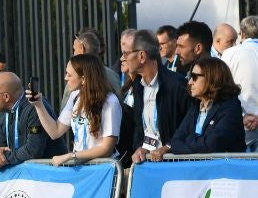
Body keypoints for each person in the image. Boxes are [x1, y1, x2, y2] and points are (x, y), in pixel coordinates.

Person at [137, 57, 244, 160]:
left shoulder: (230, 108)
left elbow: (211, 145)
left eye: (195, 77)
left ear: (212, 77)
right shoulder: (196, 106)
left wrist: (187, 141)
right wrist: (199, 141)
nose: (190, 82)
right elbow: (176, 141)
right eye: (190, 77)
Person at [29, 54, 121, 165]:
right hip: (81, 168)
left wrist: (71, 156)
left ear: (83, 79)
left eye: (69, 75)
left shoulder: (110, 101)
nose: (65, 78)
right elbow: (55, 131)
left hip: (102, 169)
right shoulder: (75, 96)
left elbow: (106, 149)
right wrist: (39, 105)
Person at [119, 28, 190, 164]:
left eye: (126, 53)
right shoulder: (138, 86)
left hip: (177, 165)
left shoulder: (176, 85)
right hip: (151, 164)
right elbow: (147, 131)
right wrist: (143, 148)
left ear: (141, 56)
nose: (123, 58)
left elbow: (189, 125)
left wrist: (168, 147)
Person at [221, 15, 258, 150]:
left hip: (237, 122)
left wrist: (243, 116)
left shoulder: (229, 54)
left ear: (241, 33)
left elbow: (223, 88)